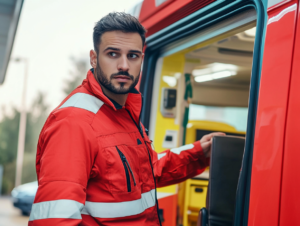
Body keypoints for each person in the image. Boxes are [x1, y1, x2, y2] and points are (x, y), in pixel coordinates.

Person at [28, 12, 224, 226]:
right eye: (113, 54)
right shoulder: (73, 121)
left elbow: (146, 173)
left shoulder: (124, 112)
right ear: (94, 58)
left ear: (141, 58)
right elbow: (54, 220)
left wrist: (199, 153)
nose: (123, 65)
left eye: (133, 55)